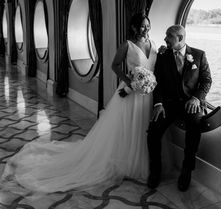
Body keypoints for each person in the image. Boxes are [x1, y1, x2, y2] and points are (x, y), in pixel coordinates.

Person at [1, 13, 157, 194]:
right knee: (126, 128)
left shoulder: (154, 45)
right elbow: (114, 65)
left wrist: (148, 83)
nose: (145, 29)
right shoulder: (127, 45)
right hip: (130, 93)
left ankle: (140, 161)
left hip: (148, 94)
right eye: (142, 26)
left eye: (148, 25)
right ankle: (126, 162)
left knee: (143, 126)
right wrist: (129, 82)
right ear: (134, 28)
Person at [147, 24, 212, 191]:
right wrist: (158, 103)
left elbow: (206, 81)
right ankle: (155, 172)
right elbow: (157, 83)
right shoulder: (162, 55)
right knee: (153, 131)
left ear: (180, 38)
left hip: (190, 103)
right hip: (167, 104)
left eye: (169, 36)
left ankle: (186, 171)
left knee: (195, 127)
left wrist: (197, 98)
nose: (165, 39)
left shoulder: (199, 55)